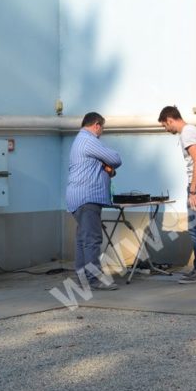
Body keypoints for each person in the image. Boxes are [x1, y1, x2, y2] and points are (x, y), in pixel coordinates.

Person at [158, 105, 196, 282]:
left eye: (164, 126)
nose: (166, 129)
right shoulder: (192, 131)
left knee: (195, 228)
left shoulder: (187, 133)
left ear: (169, 120)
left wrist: (193, 190)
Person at [66, 112, 122, 291]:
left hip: (79, 197)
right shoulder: (89, 140)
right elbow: (115, 159)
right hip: (87, 197)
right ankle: (93, 279)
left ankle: (83, 278)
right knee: (92, 239)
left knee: (83, 239)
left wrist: (106, 168)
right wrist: (108, 165)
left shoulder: (80, 141)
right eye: (102, 128)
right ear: (96, 125)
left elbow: (106, 167)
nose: (102, 132)